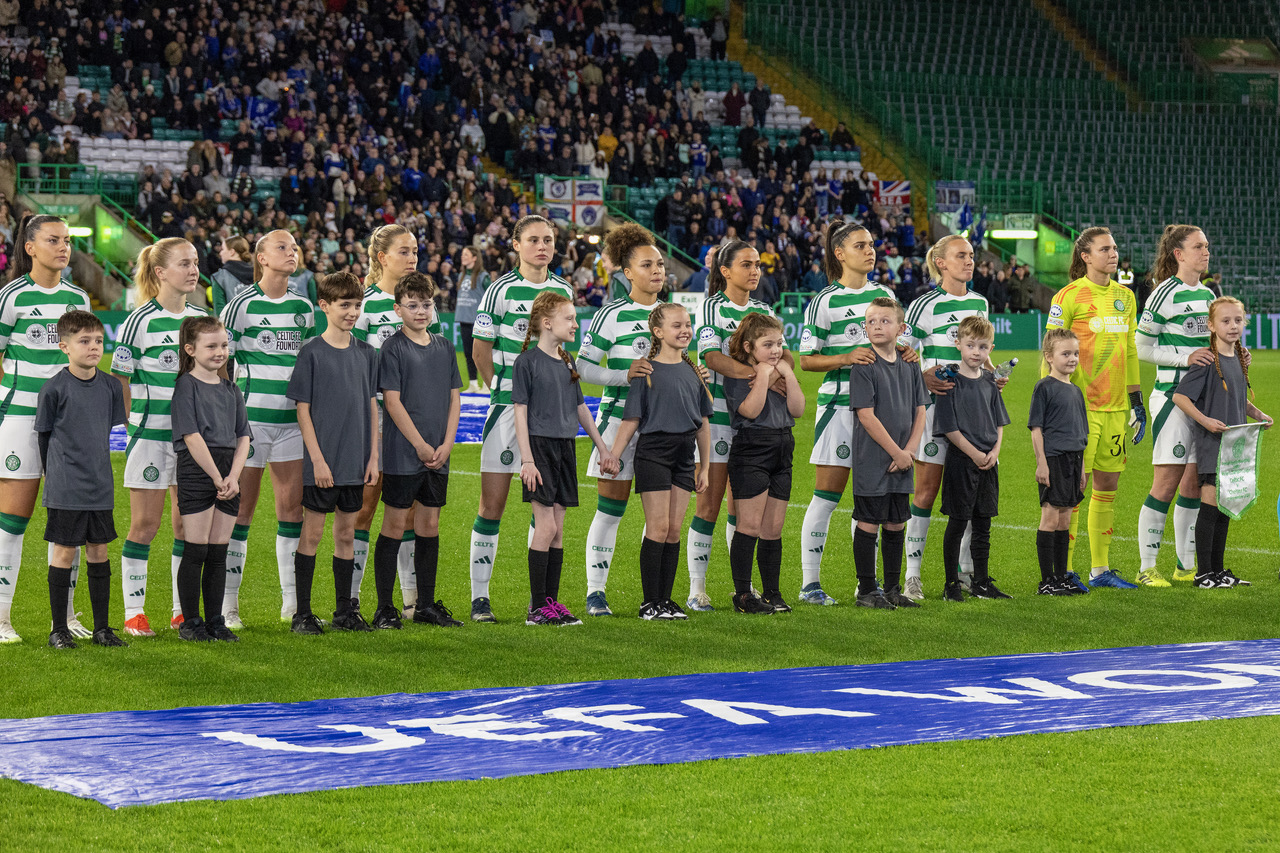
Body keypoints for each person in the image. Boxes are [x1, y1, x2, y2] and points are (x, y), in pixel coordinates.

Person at [468, 215, 573, 623]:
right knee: (491, 505)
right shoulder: (499, 290)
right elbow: (480, 351)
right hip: (506, 413)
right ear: (516, 245)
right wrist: (510, 394)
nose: (542, 246)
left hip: (548, 420)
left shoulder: (563, 289)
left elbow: (565, 355)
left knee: (544, 510)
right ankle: (480, 599)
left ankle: (542, 601)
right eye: (533, 240)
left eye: (548, 239)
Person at [797, 221, 904, 605]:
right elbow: (806, 361)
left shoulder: (884, 295)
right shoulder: (824, 301)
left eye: (872, 244)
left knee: (874, 497)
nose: (870, 251)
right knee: (827, 495)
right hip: (839, 408)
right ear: (839, 253)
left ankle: (868, 585)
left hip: (881, 411)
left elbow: (900, 346)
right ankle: (810, 584)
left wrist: (906, 351)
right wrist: (846, 356)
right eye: (860, 245)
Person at [0, 215, 92, 644]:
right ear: (30, 247)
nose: (64, 247)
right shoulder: (11, 296)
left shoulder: (78, 298)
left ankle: (67, 617)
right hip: (19, 417)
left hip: (66, 424)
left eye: (68, 241)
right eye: (54, 240)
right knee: (13, 521)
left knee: (69, 521)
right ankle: (1, 618)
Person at [689, 240, 794, 609]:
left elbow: (787, 356)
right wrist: (760, 372)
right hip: (719, 417)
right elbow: (712, 357)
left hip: (758, 423)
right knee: (710, 504)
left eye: (758, 265)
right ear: (725, 270)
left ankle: (745, 589)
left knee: (743, 509)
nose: (754, 271)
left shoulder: (764, 309)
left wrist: (779, 369)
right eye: (746, 264)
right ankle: (697, 588)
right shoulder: (711, 308)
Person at [112, 237, 208, 638]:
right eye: (184, 264)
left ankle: (180, 610)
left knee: (187, 527)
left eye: (196, 263)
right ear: (160, 272)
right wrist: (135, 423)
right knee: (146, 525)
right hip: (150, 438)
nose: (193, 270)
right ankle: (134, 612)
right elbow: (120, 380)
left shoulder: (202, 319)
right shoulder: (139, 320)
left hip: (193, 442)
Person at [219, 230, 315, 627]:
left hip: (292, 424)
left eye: (294, 248)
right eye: (282, 247)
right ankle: (228, 606)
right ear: (261, 258)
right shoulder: (239, 305)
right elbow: (222, 364)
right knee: (241, 511)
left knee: (292, 512)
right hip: (252, 424)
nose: (291, 253)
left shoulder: (304, 307)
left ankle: (291, 603)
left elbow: (310, 365)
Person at [1043, 227, 1143, 589]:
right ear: (1085, 256)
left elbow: (1130, 351)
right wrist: (1052, 402)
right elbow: (1050, 350)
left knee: (1108, 486)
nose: (1113, 254)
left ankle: (1099, 570)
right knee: (1072, 491)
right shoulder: (1068, 296)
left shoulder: (1125, 297)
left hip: (1116, 409)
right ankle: (1064, 569)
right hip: (1079, 410)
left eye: (1115, 248)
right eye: (1105, 249)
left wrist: (1137, 402)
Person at [514, 291, 618, 626]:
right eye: (569, 318)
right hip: (540, 448)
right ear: (547, 323)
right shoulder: (527, 362)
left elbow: (580, 407)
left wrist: (602, 447)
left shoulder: (567, 359)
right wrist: (527, 460)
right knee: (544, 527)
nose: (575, 323)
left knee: (557, 529)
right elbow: (520, 412)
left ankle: (550, 603)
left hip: (564, 447)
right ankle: (536, 609)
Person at [901, 236, 997, 600]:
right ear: (940, 263)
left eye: (971, 255)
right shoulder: (924, 305)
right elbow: (902, 351)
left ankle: (969, 573)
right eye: (961, 256)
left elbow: (981, 347)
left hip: (975, 410)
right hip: (937, 407)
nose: (969, 261)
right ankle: (913, 576)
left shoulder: (979, 302)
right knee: (925, 492)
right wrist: (922, 376)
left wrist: (992, 372)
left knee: (973, 493)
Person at [285, 271, 380, 635]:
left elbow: (372, 406)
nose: (352, 312)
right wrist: (318, 459)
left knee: (346, 534)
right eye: (344, 305)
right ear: (324, 306)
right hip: (322, 463)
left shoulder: (367, 353)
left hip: (356, 461)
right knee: (312, 534)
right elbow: (303, 410)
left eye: (357, 305)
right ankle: (303, 614)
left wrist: (373, 457)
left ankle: (345, 611)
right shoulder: (311, 351)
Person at [577, 223, 663, 616]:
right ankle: (596, 592)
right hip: (618, 422)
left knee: (658, 511)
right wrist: (622, 376)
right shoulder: (611, 315)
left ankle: (655, 593)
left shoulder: (672, 315)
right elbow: (582, 368)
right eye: (647, 265)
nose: (657, 271)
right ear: (627, 272)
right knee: (611, 509)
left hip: (665, 425)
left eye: (660, 264)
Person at [610, 303, 713, 619]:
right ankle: (649, 602)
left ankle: (666, 600)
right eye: (677, 325)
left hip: (684, 455)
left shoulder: (694, 371)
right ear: (657, 332)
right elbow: (631, 419)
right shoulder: (646, 371)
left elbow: (703, 423)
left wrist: (705, 466)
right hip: (653, 452)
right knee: (657, 527)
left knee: (673, 530)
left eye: (688, 324)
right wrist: (613, 454)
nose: (685, 330)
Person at [374, 272, 463, 630]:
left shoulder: (443, 346)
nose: (421, 311)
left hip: (439, 454)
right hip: (404, 453)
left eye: (426, 304)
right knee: (396, 523)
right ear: (398, 310)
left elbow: (455, 397)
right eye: (412, 305)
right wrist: (421, 444)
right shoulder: (392, 348)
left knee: (429, 523)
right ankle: (385, 607)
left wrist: (446, 444)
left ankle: (425, 604)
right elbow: (392, 403)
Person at [37, 311, 128, 649]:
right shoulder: (54, 389)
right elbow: (43, 437)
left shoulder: (109, 386)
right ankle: (58, 629)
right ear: (64, 346)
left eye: (99, 341)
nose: (94, 347)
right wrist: (56, 477)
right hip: (66, 487)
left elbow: (104, 432)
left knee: (99, 551)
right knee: (63, 553)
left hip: (99, 486)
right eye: (84, 341)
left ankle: (102, 629)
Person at [1135, 225, 1218, 585]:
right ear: (1178, 254)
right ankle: (1146, 567)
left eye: (1207, 246)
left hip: (1205, 399)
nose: (1206, 252)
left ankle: (1185, 567)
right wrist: (1187, 357)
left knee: (1193, 484)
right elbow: (1141, 348)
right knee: (1166, 482)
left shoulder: (1210, 294)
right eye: (1198, 246)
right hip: (1172, 398)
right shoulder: (1162, 293)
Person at [1173, 296, 1272, 588]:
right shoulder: (1206, 360)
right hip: (1212, 445)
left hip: (1235, 447)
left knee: (1225, 506)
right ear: (1212, 326)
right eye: (1226, 321)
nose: (1233, 326)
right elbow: (1180, 396)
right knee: (1211, 505)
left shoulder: (1240, 358)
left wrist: (1258, 414)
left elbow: (1237, 398)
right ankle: (1204, 573)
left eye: (1238, 321)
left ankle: (1218, 571)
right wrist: (1205, 421)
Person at [351, 225, 425, 619]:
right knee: (364, 507)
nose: (412, 257)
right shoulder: (363, 304)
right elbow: (356, 367)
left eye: (415, 250)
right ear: (382, 258)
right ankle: (352, 599)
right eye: (403, 251)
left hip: (413, 419)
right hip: (375, 419)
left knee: (408, 509)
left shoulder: (421, 301)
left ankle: (411, 599)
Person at [170, 315, 252, 641]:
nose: (220, 352)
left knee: (219, 552)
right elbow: (191, 436)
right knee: (197, 550)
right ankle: (191, 622)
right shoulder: (185, 386)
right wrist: (218, 477)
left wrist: (233, 476)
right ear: (190, 349)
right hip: (197, 470)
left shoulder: (231, 389)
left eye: (224, 345)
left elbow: (244, 437)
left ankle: (215, 621)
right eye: (211, 346)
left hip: (228, 472)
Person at [848, 297, 929, 609]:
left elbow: (920, 410)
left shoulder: (910, 364)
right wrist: (897, 452)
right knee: (869, 521)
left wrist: (908, 451)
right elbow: (866, 415)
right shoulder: (864, 366)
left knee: (896, 522)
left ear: (901, 328)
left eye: (884, 321)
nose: (876, 326)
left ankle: (894, 589)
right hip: (875, 459)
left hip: (903, 459)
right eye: (870, 322)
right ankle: (868, 591)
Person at [722, 312, 805, 614]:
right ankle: (743, 594)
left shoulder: (780, 371)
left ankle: (772, 592)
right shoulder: (740, 375)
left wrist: (789, 374)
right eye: (767, 344)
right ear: (748, 347)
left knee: (774, 527)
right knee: (750, 524)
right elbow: (751, 411)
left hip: (783, 446)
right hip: (752, 448)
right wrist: (764, 377)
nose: (775, 350)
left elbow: (797, 410)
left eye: (779, 344)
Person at [934, 316, 1011, 601]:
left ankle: (980, 581)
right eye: (970, 345)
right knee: (957, 522)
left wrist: (994, 453)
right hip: (962, 460)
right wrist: (975, 453)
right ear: (958, 344)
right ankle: (951, 585)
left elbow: (999, 422)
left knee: (983, 524)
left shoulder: (992, 381)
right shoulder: (948, 381)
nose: (976, 352)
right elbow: (949, 427)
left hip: (988, 462)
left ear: (991, 348)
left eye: (983, 346)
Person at [1029, 329, 1089, 596]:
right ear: (1049, 357)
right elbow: (1036, 429)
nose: (1072, 359)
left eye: (1075, 353)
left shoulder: (1075, 390)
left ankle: (1061, 576)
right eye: (1065, 354)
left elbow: (1082, 432)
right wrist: (1042, 462)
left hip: (1075, 460)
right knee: (1051, 516)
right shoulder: (1044, 387)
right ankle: (1047, 581)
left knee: (1065, 518)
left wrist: (1083, 467)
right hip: (1054, 458)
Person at [454, 245, 491, 394]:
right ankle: (473, 384)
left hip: (479, 322)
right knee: (468, 354)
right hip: (464, 320)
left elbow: (491, 297)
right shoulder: (461, 276)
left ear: (474, 258)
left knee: (483, 355)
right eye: (463, 254)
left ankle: (488, 385)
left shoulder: (483, 276)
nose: (463, 256)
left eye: (466, 254)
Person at [210, 235, 253, 316]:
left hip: (232, 327)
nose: (220, 253)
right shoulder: (259, 274)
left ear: (232, 252)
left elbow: (220, 311)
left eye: (223, 249)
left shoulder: (220, 277)